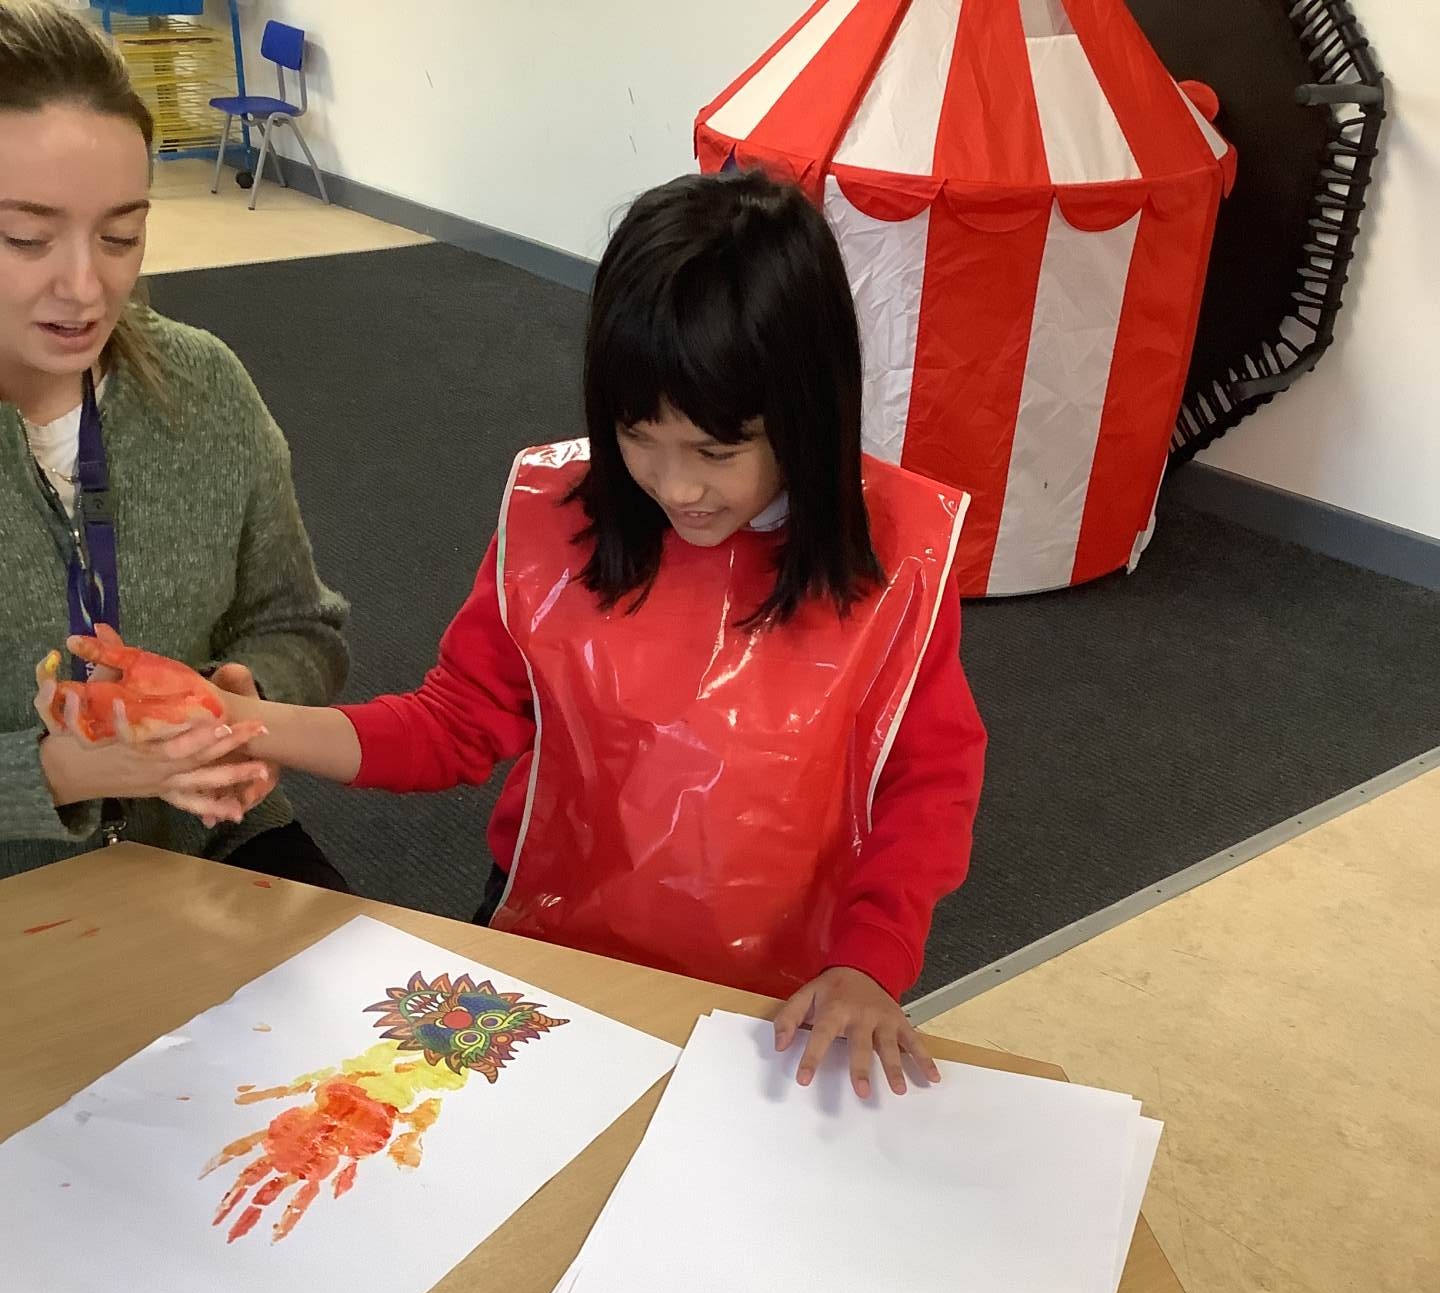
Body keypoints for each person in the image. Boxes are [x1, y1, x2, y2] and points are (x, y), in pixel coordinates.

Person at [214, 171, 987, 1096]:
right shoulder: (560, 518)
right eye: (638, 435)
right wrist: (256, 728)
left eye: (716, 451)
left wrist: (872, 958)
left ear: (807, 413)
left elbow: (927, 784)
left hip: (784, 990)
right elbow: (454, 723)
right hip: (554, 941)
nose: (677, 486)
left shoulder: (900, 560)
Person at [0, 0, 348, 888]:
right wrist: (56, 772)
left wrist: (247, 701)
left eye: (122, 234)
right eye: (26, 238)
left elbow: (300, 623)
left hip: (209, 843)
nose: (87, 286)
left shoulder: (203, 385)